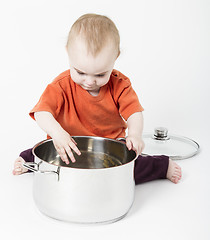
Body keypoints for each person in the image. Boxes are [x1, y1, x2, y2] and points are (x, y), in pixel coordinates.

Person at [12, 13, 181, 184]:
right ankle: (30, 160)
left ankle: (161, 166)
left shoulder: (120, 84)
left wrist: (135, 135)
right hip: (68, 144)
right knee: (47, 154)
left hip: (109, 147)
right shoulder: (61, 86)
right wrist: (58, 133)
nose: (90, 81)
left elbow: (134, 113)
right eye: (80, 72)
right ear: (68, 54)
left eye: (100, 74)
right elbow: (42, 112)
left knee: (130, 170)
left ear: (115, 58)